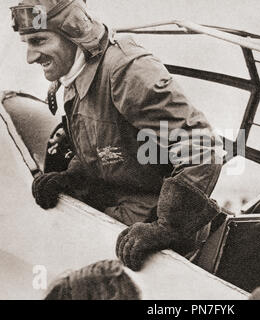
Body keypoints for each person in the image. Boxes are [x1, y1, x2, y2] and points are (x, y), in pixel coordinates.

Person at [11, 0, 223, 271]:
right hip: (117, 223)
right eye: (27, 44)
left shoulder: (125, 68)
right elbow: (105, 145)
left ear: (73, 32)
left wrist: (168, 227)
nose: (30, 56)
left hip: (156, 243)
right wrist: (72, 178)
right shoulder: (74, 75)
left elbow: (201, 146)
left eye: (39, 40)